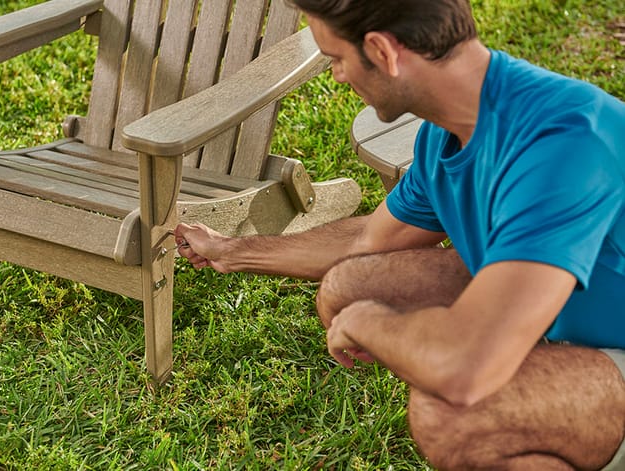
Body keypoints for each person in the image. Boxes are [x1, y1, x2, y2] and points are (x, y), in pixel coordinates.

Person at [174, 0, 625, 469]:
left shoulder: (566, 141)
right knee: (348, 287)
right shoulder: (447, 133)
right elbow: (364, 243)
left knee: (456, 413)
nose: (337, 76)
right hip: (572, 319)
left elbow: (464, 369)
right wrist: (232, 250)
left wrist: (372, 323)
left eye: (336, 58)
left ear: (383, 51)